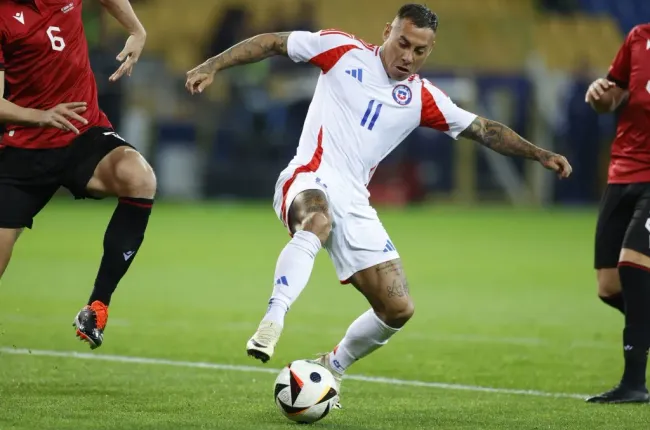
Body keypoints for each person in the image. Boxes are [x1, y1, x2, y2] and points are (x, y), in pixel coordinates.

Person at [186, 3, 571, 407]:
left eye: (420, 51)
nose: (408, 56)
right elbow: (272, 43)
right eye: (403, 43)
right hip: (309, 175)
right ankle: (273, 318)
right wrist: (214, 64)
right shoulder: (341, 49)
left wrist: (538, 153)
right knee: (317, 220)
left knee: (397, 307)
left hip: (355, 199)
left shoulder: (421, 97)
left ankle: (331, 366)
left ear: (429, 50)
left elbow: (485, 129)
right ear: (388, 31)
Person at [0, 0, 156, 350]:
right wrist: (40, 116)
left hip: (82, 133)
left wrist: (136, 29)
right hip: (24, 149)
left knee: (140, 177)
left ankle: (97, 306)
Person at [584, 23, 650, 404]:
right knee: (609, 286)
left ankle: (634, 384)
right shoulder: (639, 37)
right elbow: (612, 97)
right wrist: (598, 96)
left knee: (633, 265)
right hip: (622, 172)